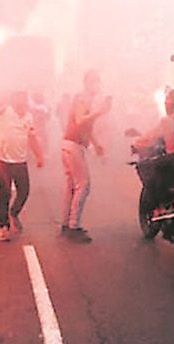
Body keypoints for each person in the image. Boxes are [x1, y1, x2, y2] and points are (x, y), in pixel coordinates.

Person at [60, 71, 111, 243]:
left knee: (72, 186)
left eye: (97, 81)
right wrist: (101, 112)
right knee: (83, 185)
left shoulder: (85, 101)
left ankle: (66, 224)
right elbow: (81, 120)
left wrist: (96, 145)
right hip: (73, 145)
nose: (96, 85)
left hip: (70, 144)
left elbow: (85, 127)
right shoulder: (82, 98)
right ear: (86, 83)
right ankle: (73, 226)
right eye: (93, 81)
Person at [0, 92, 44, 242]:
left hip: (20, 161)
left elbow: (32, 137)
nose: (22, 104)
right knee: (4, 194)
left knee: (24, 191)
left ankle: (14, 212)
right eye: (19, 101)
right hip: (3, 161)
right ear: (13, 101)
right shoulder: (4, 112)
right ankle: (3, 226)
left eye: (24, 101)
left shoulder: (28, 117)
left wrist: (39, 155)